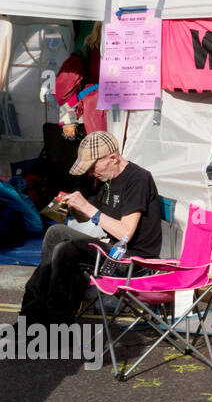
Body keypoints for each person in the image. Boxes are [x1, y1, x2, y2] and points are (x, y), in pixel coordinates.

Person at [19, 132, 163, 324]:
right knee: (56, 239)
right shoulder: (107, 181)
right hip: (112, 251)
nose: (90, 173)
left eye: (92, 166)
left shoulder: (138, 179)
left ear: (113, 158)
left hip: (132, 259)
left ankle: (50, 321)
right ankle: (34, 317)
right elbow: (91, 215)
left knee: (64, 247)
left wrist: (87, 207)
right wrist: (75, 208)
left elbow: (125, 233)